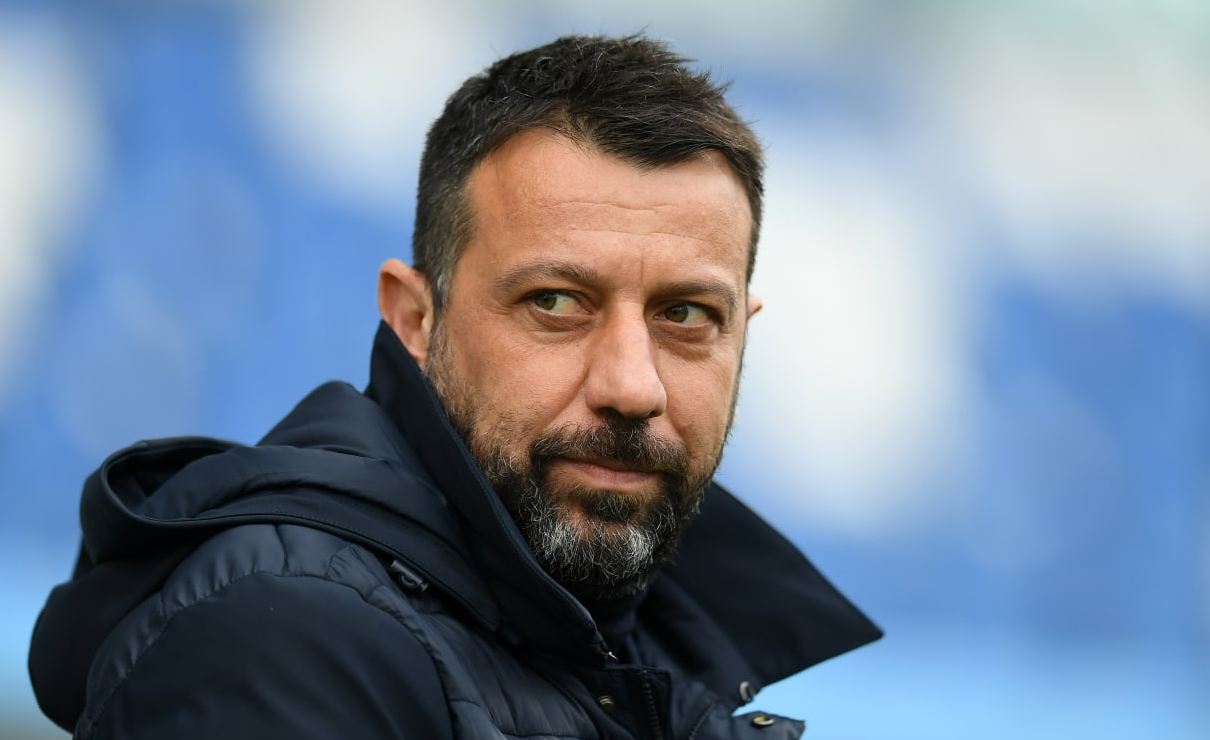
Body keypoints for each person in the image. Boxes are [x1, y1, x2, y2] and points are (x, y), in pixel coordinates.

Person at [30, 34, 880, 739]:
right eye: (556, 302)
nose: (632, 386)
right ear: (414, 319)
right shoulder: (279, 636)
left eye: (686, 315)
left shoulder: (642, 656)